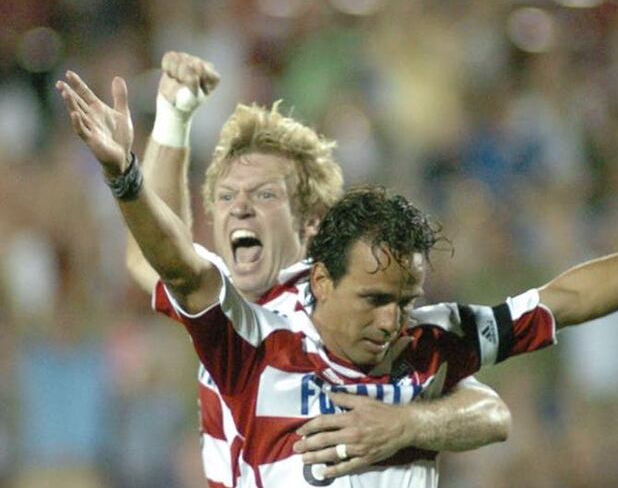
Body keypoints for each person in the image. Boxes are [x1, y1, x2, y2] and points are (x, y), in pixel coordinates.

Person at [56, 69, 618, 487]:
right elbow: (168, 260)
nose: (392, 320)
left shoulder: (430, 340)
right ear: (321, 280)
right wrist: (137, 161)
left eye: (403, 300)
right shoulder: (253, 336)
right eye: (375, 300)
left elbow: (567, 299)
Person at [99, 53, 510, 487]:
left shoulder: (353, 315)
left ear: (310, 222)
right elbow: (153, 259)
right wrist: (173, 117)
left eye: (265, 195)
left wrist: (409, 425)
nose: (240, 208)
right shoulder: (222, 312)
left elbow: (488, 413)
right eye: (226, 197)